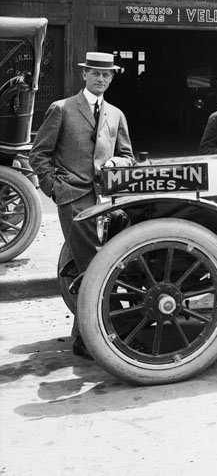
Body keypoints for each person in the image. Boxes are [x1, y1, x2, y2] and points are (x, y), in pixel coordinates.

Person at [29, 52, 135, 359]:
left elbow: (128, 156)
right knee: (96, 265)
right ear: (84, 75)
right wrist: (55, 189)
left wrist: (116, 161)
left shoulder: (116, 114)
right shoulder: (62, 109)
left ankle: (86, 337)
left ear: (112, 78)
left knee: (100, 266)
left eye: (107, 75)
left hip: (107, 202)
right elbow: (39, 155)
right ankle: (101, 337)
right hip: (74, 200)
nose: (101, 79)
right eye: (96, 74)